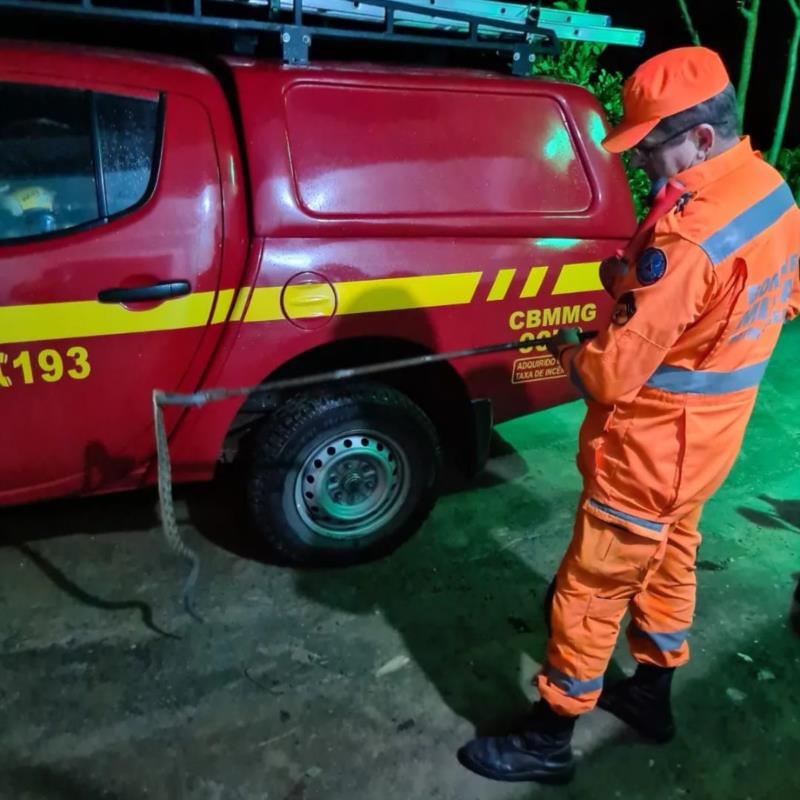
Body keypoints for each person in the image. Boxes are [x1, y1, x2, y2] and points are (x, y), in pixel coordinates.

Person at [458, 46, 800, 785]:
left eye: (651, 147)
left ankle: (549, 737)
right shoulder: (770, 191)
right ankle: (650, 694)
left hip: (650, 445)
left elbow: (612, 376)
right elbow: (774, 300)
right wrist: (641, 290)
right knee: (672, 554)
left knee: (592, 585)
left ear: (701, 138)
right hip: (709, 443)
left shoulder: (689, 235)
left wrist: (576, 347)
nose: (643, 164)